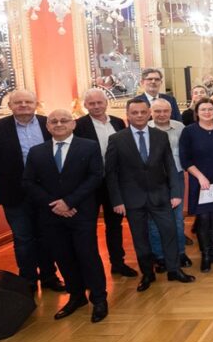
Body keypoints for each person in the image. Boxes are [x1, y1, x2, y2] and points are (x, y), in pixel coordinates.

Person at [22, 110, 109, 323]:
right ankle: (76, 296)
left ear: (73, 124)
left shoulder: (89, 146)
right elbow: (29, 182)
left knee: (88, 256)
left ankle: (99, 299)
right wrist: (55, 204)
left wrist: (69, 202)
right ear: (47, 127)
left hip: (81, 212)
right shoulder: (37, 152)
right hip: (52, 215)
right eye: (53, 121)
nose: (59, 124)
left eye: (64, 120)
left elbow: (95, 176)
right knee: (63, 257)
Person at [105, 98, 196, 292]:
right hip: (132, 199)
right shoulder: (117, 139)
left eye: (142, 112)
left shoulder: (159, 136)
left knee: (170, 232)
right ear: (128, 115)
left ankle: (174, 270)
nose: (139, 115)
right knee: (140, 238)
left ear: (148, 114)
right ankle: (148, 274)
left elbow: (170, 165)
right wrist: (117, 200)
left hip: (160, 195)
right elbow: (111, 173)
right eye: (134, 113)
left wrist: (176, 192)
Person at [0, 89, 64, 292]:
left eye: (28, 101)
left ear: (36, 104)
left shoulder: (49, 124)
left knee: (46, 236)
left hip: (46, 192)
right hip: (14, 192)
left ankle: (49, 276)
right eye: (18, 102)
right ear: (10, 106)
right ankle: (27, 280)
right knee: (23, 238)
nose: (24, 105)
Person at [73, 88, 136, 277]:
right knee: (87, 227)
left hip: (114, 183)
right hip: (89, 185)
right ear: (85, 105)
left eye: (99, 102)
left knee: (114, 225)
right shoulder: (78, 125)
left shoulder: (118, 122)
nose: (96, 106)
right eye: (91, 103)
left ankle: (118, 263)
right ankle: (89, 268)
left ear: (106, 103)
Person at [179, 100, 213, 272]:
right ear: (197, 112)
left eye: (210, 109)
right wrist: (200, 177)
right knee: (203, 220)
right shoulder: (189, 131)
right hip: (200, 182)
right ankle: (206, 255)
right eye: (203, 109)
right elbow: (185, 159)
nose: (207, 112)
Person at [148, 99, 192, 270]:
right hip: (153, 179)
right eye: (157, 111)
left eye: (165, 111)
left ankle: (180, 253)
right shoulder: (145, 128)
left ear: (171, 112)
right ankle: (159, 256)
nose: (162, 114)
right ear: (151, 112)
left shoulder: (180, 127)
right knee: (154, 220)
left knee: (178, 218)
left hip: (177, 177)